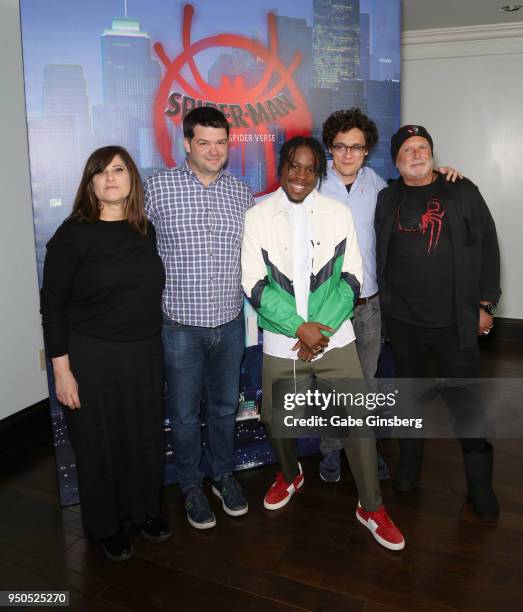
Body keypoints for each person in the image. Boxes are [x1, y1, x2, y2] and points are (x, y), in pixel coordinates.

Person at [242, 136, 405, 551]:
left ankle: (371, 507)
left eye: (309, 168)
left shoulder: (338, 213)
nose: (300, 175)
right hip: (284, 342)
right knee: (275, 419)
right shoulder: (257, 214)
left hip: (335, 339)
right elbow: (255, 284)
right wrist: (300, 328)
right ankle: (290, 473)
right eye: (293, 166)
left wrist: (319, 331)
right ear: (281, 167)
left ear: (319, 173)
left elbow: (351, 280)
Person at [41, 146, 170, 562]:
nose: (110, 177)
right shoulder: (73, 233)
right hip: (92, 358)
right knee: (98, 443)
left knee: (143, 437)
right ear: (91, 183)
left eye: (119, 170)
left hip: (145, 353)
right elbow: (53, 306)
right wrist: (62, 372)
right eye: (101, 172)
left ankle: (145, 511)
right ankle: (107, 525)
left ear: (132, 178)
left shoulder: (143, 229)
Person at [318, 108, 461, 483]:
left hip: (368, 305)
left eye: (356, 147)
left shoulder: (380, 188)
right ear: (329, 149)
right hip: (327, 308)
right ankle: (332, 451)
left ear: (367, 151)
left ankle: (364, 451)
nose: (348, 154)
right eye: (340, 147)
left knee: (365, 384)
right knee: (332, 384)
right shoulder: (313, 186)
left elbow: (421, 189)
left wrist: (449, 177)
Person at [375, 125, 500, 521]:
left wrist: (486, 304)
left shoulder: (461, 190)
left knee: (466, 403)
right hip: (404, 323)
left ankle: (480, 487)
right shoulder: (387, 198)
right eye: (407, 150)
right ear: (396, 160)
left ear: (433, 153)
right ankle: (409, 469)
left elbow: (489, 246)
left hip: (455, 322)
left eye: (423, 147)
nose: (416, 154)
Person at [144, 107, 254, 529]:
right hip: (179, 327)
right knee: (186, 414)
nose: (213, 150)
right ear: (187, 143)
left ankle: (222, 476)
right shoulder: (157, 188)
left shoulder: (241, 193)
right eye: (203, 142)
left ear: (229, 145)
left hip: (229, 323)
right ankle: (191, 485)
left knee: (225, 407)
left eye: (221, 142)